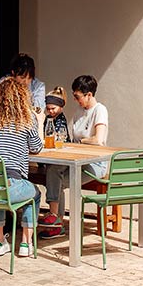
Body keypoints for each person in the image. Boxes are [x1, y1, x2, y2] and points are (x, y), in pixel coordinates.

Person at [0, 75, 44, 258]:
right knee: (35, 194)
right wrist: (39, 121)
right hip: (10, 182)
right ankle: (25, 243)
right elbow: (37, 147)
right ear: (22, 98)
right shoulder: (26, 120)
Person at [41, 75, 108, 238]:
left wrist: (82, 142)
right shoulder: (79, 112)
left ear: (89, 95)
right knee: (53, 170)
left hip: (95, 164)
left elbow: (98, 140)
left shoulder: (99, 110)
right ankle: (56, 220)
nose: (76, 100)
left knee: (56, 182)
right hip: (77, 160)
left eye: (78, 97)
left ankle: (56, 221)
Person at [39, 87, 72, 236]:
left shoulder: (60, 120)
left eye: (53, 108)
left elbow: (59, 138)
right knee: (54, 177)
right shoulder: (48, 119)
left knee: (54, 172)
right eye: (48, 108)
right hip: (51, 158)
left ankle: (54, 215)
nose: (50, 111)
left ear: (61, 107)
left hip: (63, 158)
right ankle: (57, 223)